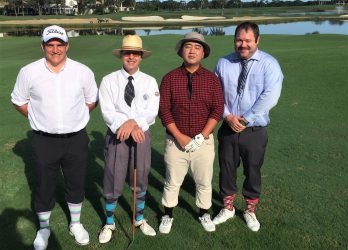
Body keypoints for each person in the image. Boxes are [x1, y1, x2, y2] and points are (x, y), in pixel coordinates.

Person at [10, 25, 98, 249]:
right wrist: (37, 116)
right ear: (43, 46)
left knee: (75, 182)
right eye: (50, 45)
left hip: (76, 138)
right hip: (43, 140)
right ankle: (44, 228)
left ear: (67, 45)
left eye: (60, 44)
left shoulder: (82, 71)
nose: (55, 49)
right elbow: (18, 100)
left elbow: (91, 100)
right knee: (43, 185)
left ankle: (75, 224)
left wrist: (75, 117)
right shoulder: (28, 71)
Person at [213, 21, 283, 232]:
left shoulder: (269, 64)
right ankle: (228, 208)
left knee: (252, 171)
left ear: (257, 40)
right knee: (226, 169)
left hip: (254, 130)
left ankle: (249, 210)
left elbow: (270, 96)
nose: (243, 44)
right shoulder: (223, 63)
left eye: (247, 40)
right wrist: (227, 116)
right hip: (228, 127)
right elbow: (216, 95)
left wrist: (245, 119)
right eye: (239, 40)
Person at [158, 32, 224, 233]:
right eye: (188, 46)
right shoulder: (170, 78)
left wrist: (202, 135)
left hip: (203, 142)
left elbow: (217, 109)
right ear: (181, 51)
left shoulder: (212, 80)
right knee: (172, 182)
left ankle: (204, 213)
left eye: (197, 47)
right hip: (175, 142)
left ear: (203, 52)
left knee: (203, 182)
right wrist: (179, 136)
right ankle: (167, 215)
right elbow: (164, 110)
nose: (192, 50)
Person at [98, 35, 159, 243]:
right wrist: (124, 126)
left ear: (141, 56)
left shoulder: (150, 81)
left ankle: (139, 218)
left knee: (140, 176)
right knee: (113, 176)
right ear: (121, 55)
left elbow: (152, 111)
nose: (131, 57)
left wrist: (134, 124)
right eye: (127, 53)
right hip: (117, 135)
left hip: (140, 134)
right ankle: (109, 222)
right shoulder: (108, 80)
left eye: (135, 53)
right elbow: (107, 111)